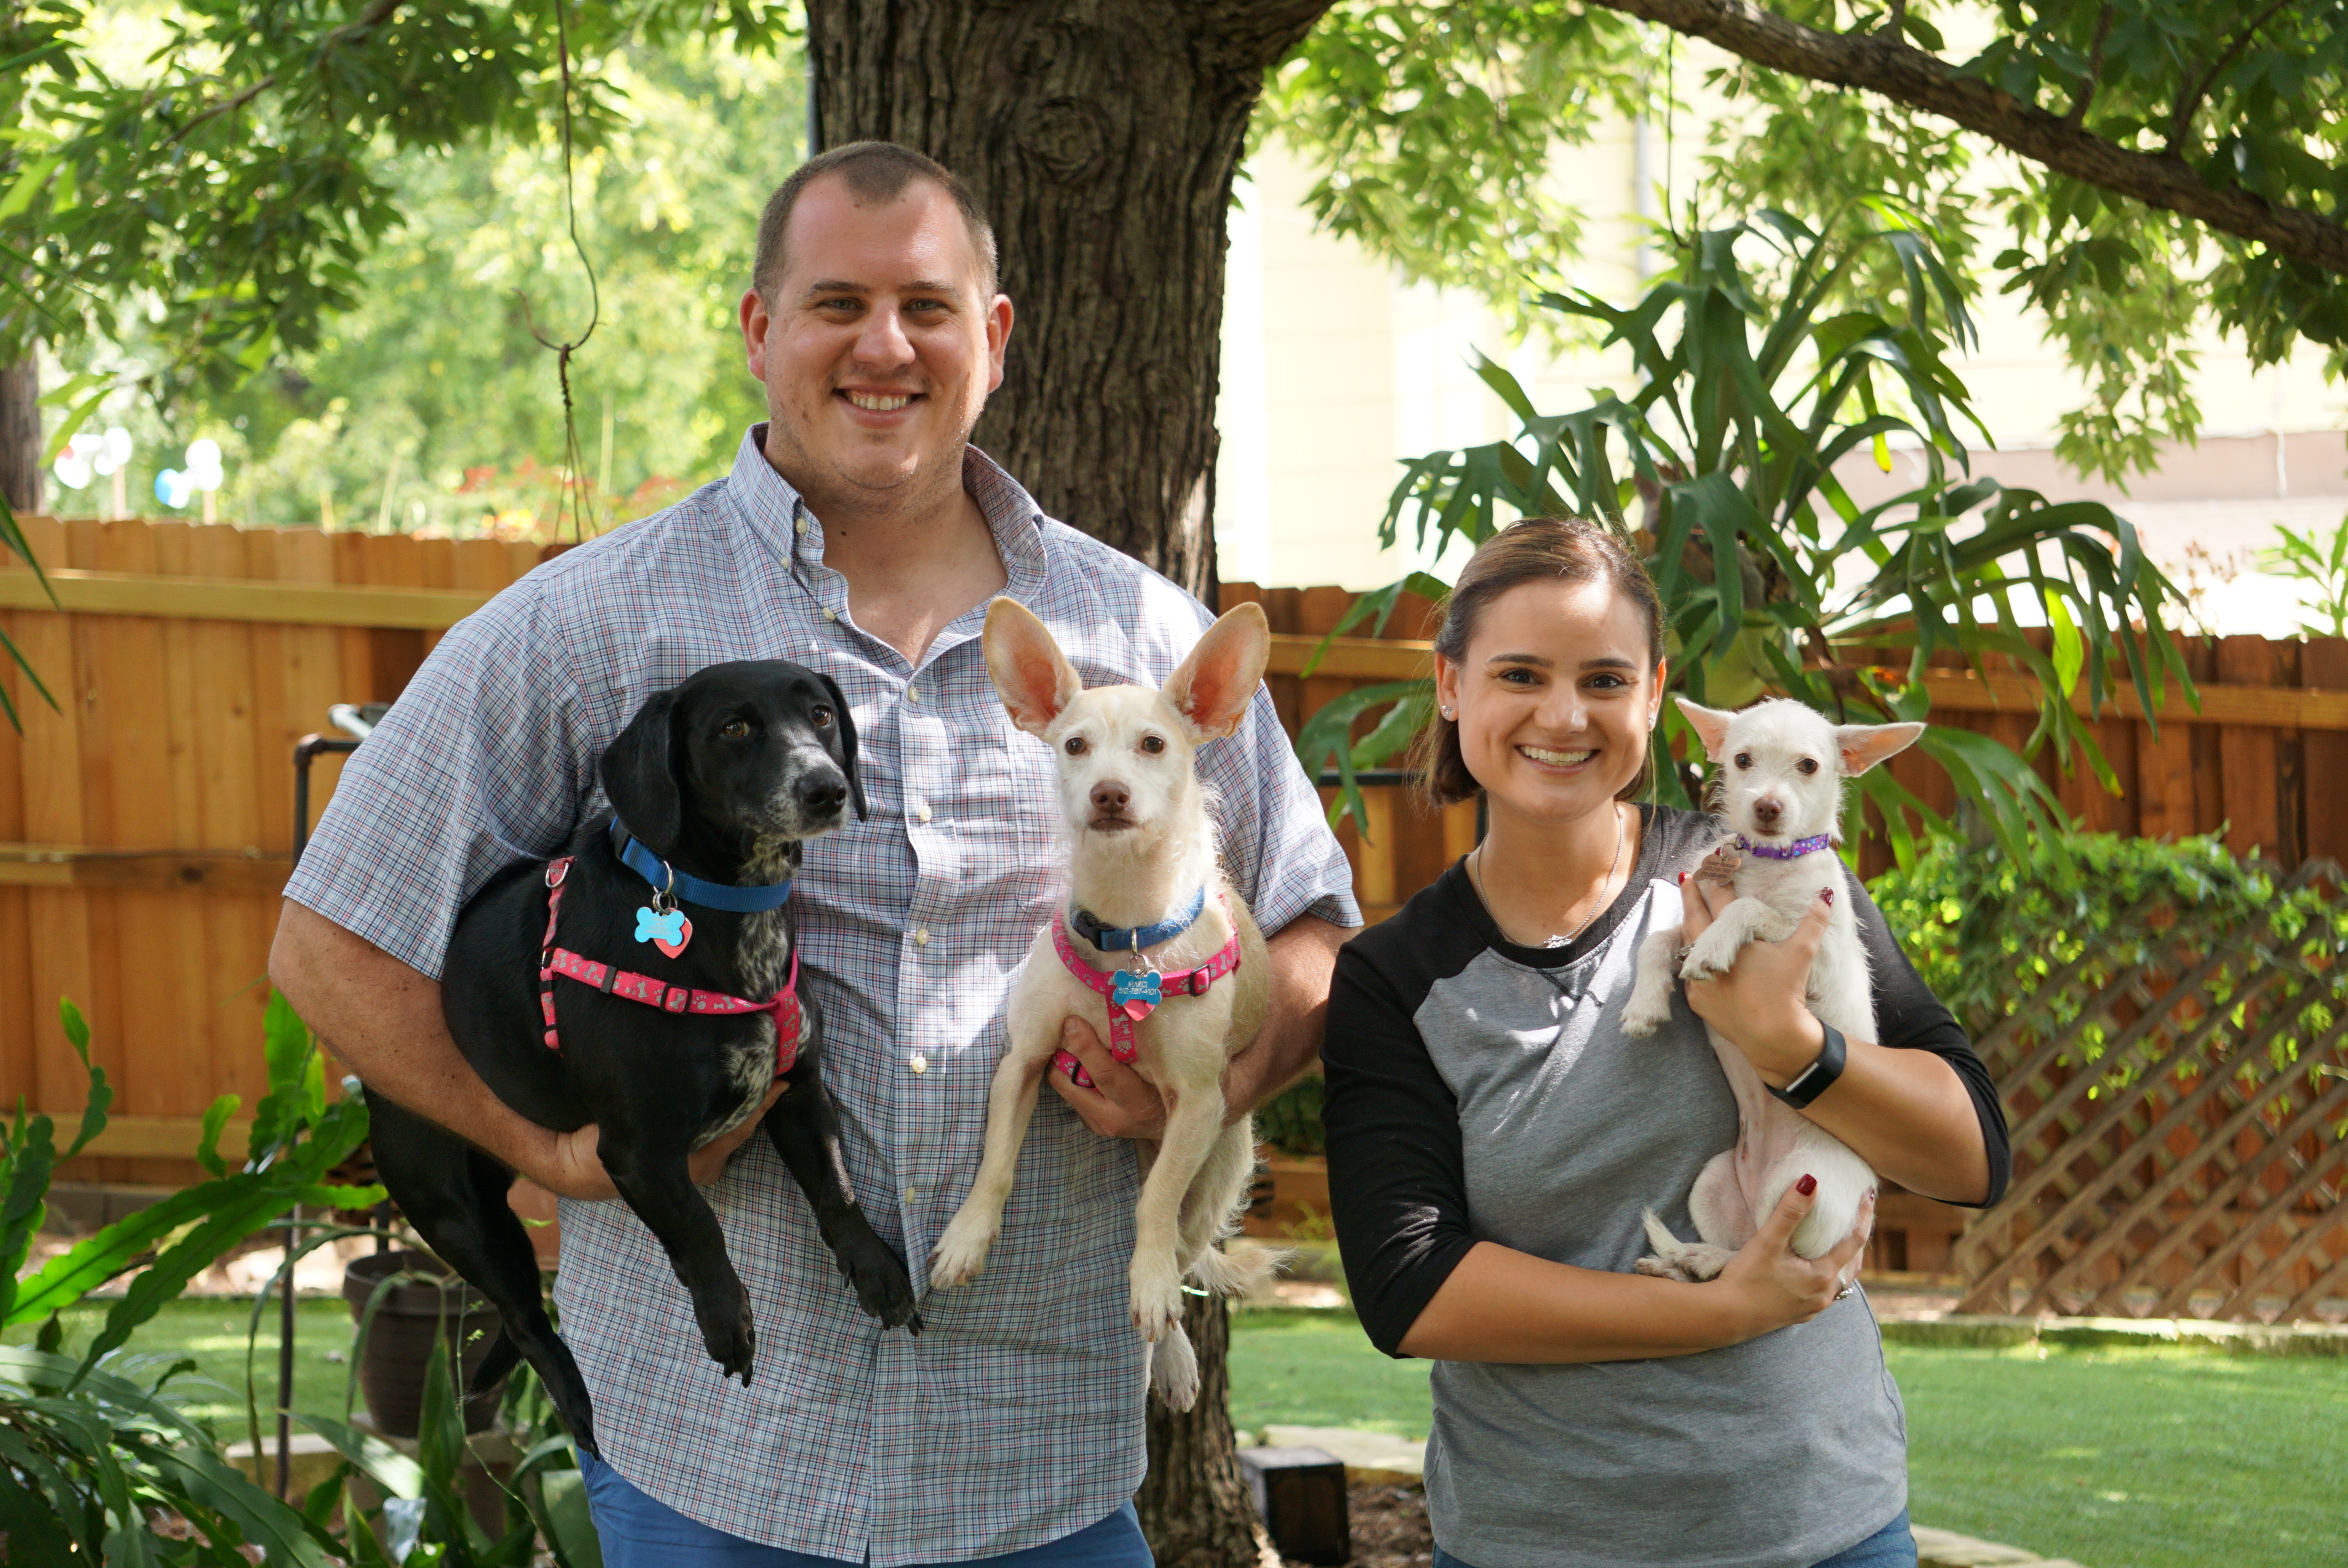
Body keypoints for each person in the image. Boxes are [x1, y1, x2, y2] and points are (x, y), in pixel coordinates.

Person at [269, 141, 1358, 1568]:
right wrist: (549, 1152)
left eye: (926, 307)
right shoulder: (584, 625)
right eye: (837, 303)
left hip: (1034, 1452)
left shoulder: (1141, 634)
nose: (884, 346)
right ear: (758, 329)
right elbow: (329, 943)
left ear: (994, 337)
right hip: (716, 1453)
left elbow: (1313, 930)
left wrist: (1199, 1089)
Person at [1319, 518, 2010, 1568]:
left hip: (1823, 1527)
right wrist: (1722, 1313)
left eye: (1604, 679)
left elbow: (1972, 1159)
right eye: (1520, 674)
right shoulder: (1396, 979)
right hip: (1542, 1543)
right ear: (1451, 685)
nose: (1564, 715)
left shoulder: (1761, 872)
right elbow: (1408, 1290)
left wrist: (1793, 1047)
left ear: (1655, 697)